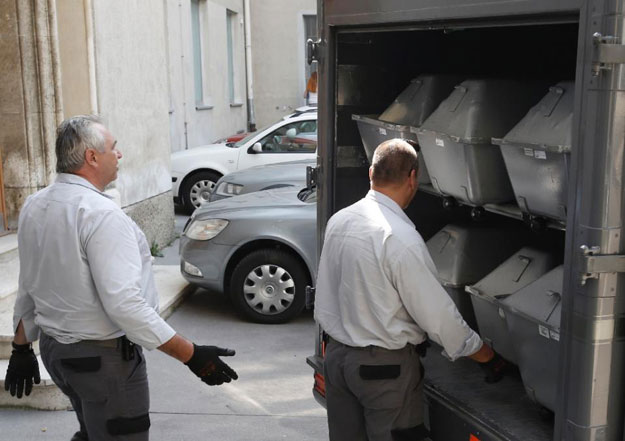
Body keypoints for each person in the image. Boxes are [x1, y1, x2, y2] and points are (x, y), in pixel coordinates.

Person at [4, 115, 238, 441]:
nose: (120, 154)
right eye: (114, 147)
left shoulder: (35, 205)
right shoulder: (100, 214)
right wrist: (193, 355)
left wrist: (21, 347)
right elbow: (125, 305)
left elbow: (28, 282)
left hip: (60, 355)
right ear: (92, 156)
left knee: (93, 432)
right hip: (101, 362)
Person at [314, 138, 507, 441]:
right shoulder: (399, 237)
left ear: (371, 174)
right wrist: (485, 355)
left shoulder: (340, 220)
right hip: (384, 373)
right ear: (413, 177)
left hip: (338, 360)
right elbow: (438, 317)